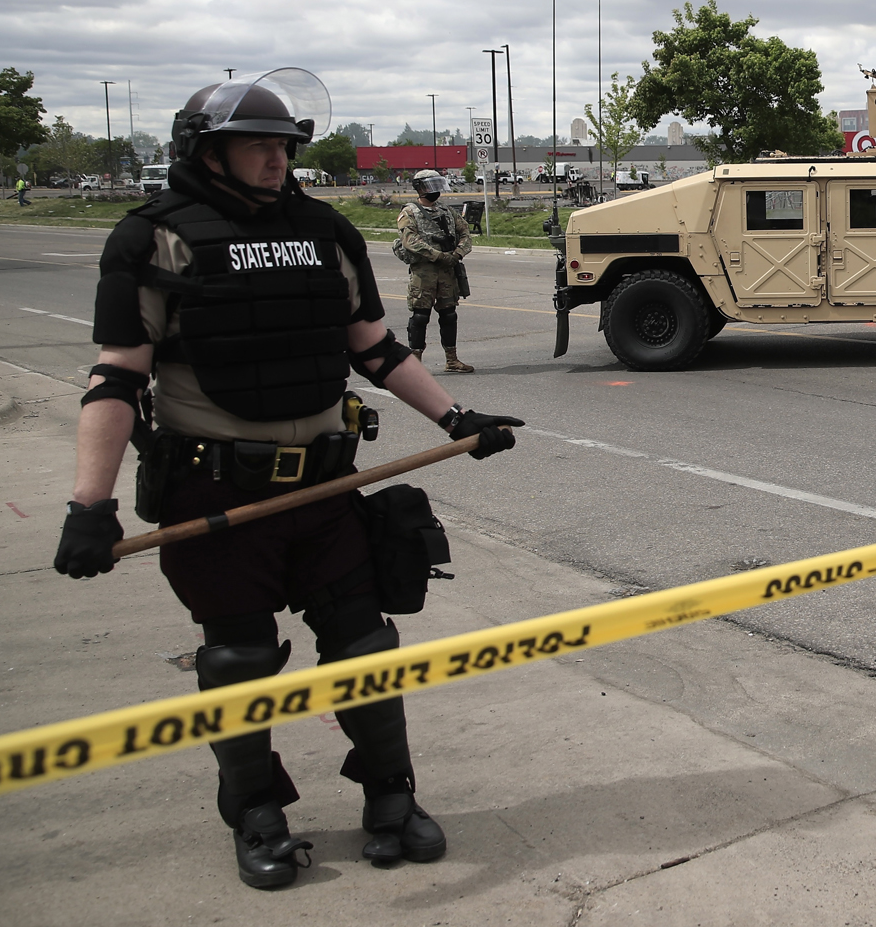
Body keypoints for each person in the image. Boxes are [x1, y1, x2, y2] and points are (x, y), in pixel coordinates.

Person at [52, 70, 524, 890]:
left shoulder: (324, 230)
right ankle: (258, 813)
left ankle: (391, 798)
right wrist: (88, 506)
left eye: (284, 146)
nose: (277, 159)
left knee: (364, 646)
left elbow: (374, 347)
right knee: (237, 659)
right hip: (217, 493)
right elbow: (118, 376)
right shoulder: (150, 238)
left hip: (324, 488)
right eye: (258, 146)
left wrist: (458, 421)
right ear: (206, 151)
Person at [396, 169, 475, 372]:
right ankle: (414, 364)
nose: (435, 191)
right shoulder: (409, 212)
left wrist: (457, 253)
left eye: (437, 185)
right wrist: (437, 255)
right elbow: (410, 241)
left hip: (448, 271)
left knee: (449, 315)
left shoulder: (447, 212)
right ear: (420, 188)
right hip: (424, 273)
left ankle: (452, 360)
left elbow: (465, 232)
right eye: (430, 186)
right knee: (420, 316)